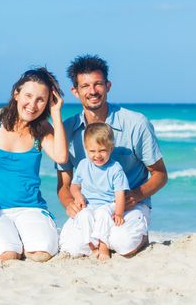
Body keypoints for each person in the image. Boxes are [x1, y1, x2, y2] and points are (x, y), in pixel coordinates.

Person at [57, 55, 168, 257]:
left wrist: (135, 195)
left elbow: (160, 174)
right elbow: (64, 184)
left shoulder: (136, 123)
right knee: (71, 248)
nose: (92, 91)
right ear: (75, 91)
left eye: (98, 84)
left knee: (123, 244)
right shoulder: (68, 130)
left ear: (108, 86)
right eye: (85, 86)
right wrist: (69, 204)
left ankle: (140, 236)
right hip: (90, 208)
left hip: (129, 206)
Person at [0, 67, 67, 262]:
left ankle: (24, 238)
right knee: (8, 256)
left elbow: (61, 157)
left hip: (30, 208)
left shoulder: (42, 129)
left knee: (41, 255)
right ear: (16, 94)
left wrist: (56, 113)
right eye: (28, 96)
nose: (33, 104)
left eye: (41, 99)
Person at [68, 122, 130, 260]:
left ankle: (103, 246)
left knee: (102, 214)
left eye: (102, 150)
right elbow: (74, 186)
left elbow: (120, 194)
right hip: (90, 203)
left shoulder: (115, 168)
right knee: (84, 216)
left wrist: (119, 213)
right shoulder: (83, 165)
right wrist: (77, 196)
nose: (97, 155)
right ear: (86, 149)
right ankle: (92, 246)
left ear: (111, 149)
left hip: (108, 203)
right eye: (92, 151)